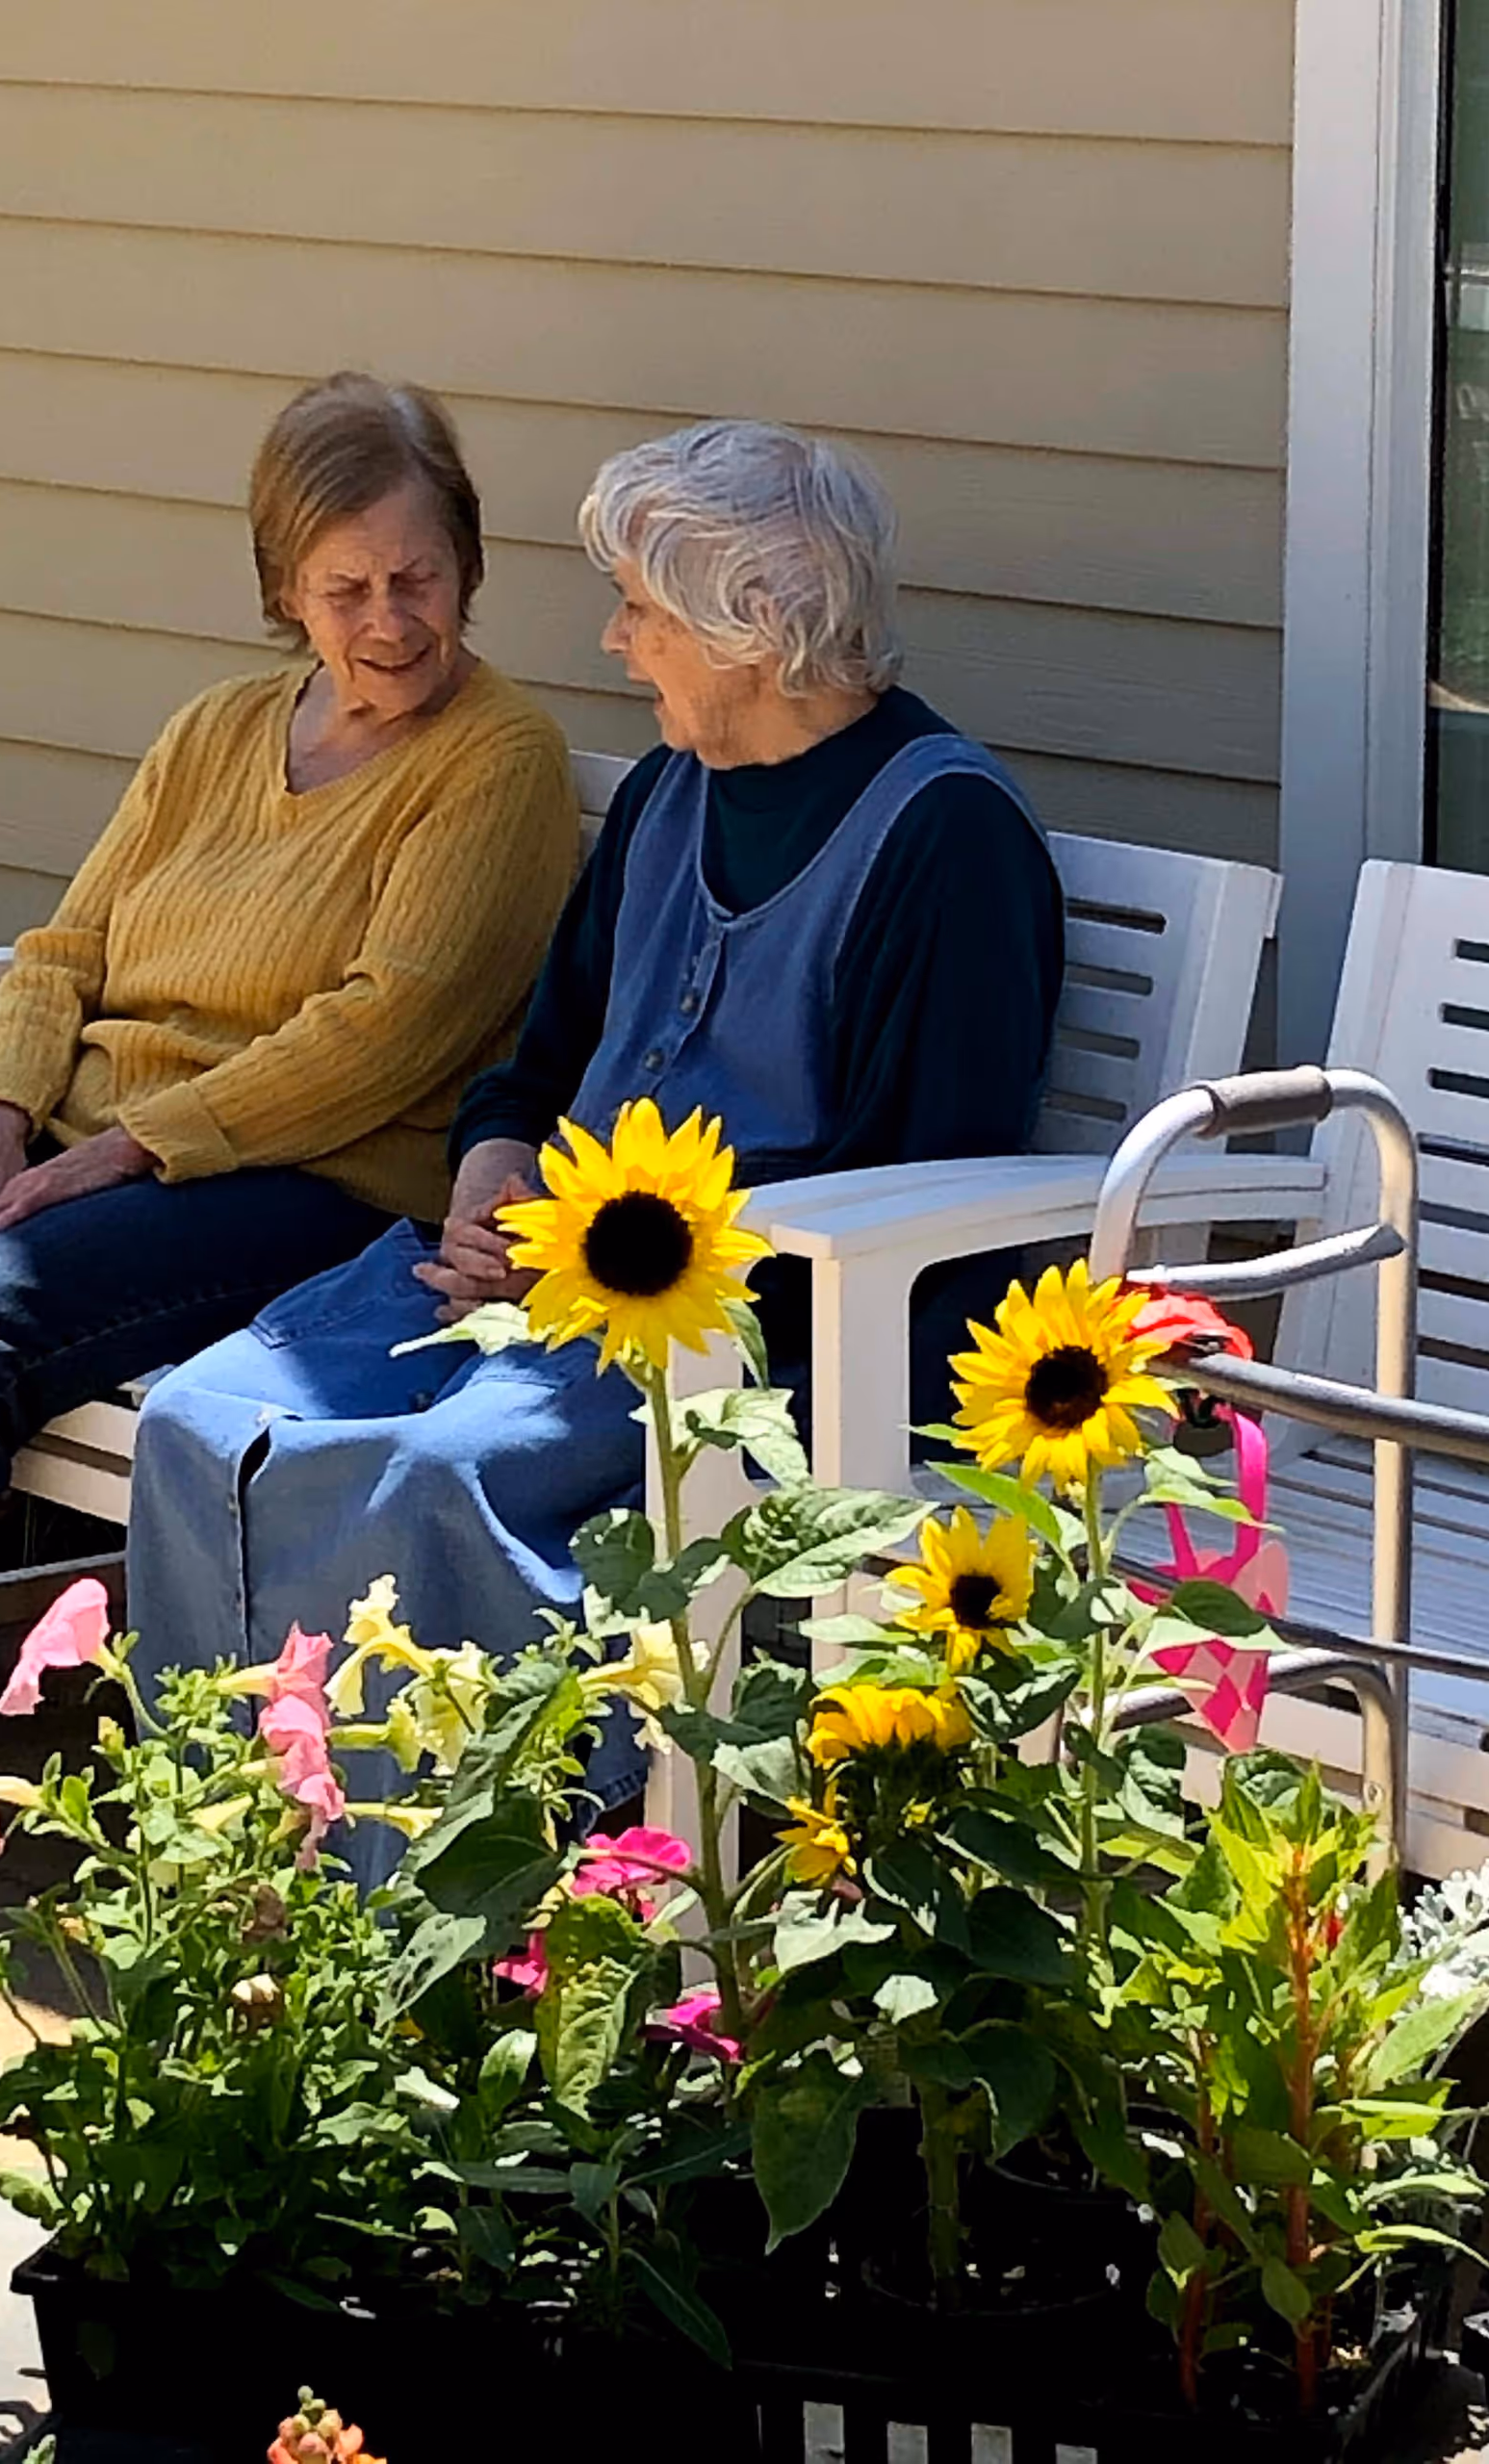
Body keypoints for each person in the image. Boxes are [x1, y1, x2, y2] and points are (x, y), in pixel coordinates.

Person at [125, 420, 1063, 1873]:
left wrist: (602, 1271)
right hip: (528, 1281)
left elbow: (939, 1198)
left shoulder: (949, 841)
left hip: (756, 1340)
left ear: (751, 627)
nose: (618, 643)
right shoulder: (667, 792)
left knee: (439, 1474)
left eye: (643, 609)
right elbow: (541, 1058)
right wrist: (496, 1166)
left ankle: (461, 1911)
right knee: (196, 1422)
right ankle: (233, 1868)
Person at [0, 372, 579, 1652]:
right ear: (285, 587)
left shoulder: (499, 763)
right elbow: (69, 947)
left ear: (469, 566)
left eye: (421, 579)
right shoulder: (217, 729)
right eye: (347, 590)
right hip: (82, 1152)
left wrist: (122, 1152)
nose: (391, 621)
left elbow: (381, 1034)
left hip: (304, 1180)